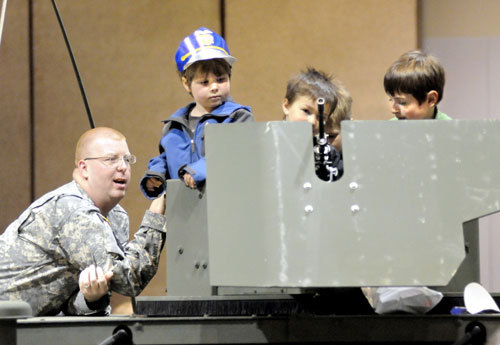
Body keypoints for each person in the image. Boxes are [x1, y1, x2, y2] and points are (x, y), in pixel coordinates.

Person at [0, 127, 167, 316]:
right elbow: (129, 279)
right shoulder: (74, 210)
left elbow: (71, 301)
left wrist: (92, 299)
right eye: (111, 159)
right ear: (84, 168)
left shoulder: (116, 216)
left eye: (127, 159)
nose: (123, 167)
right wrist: (155, 219)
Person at [140, 27, 254, 199]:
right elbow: (165, 157)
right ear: (186, 84)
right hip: (184, 211)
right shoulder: (174, 125)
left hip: (226, 204)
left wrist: (199, 170)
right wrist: (156, 175)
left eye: (221, 79)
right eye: (205, 82)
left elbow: (234, 153)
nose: (214, 87)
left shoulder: (238, 117)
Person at [282, 67, 352, 181]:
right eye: (306, 111)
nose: (312, 121)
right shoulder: (267, 142)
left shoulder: (329, 154)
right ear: (286, 106)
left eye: (321, 117)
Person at [384, 50, 451, 120]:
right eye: (391, 99)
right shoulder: (390, 127)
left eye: (401, 102)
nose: (393, 110)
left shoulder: (451, 129)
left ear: (431, 99)